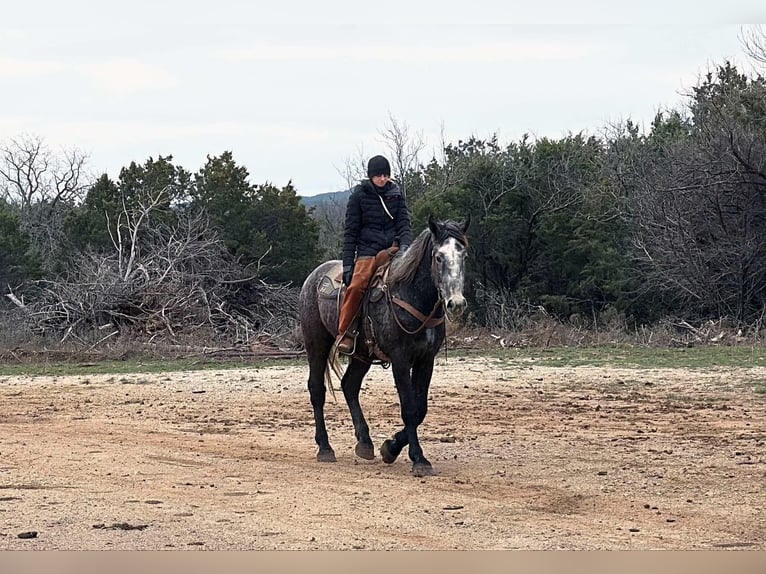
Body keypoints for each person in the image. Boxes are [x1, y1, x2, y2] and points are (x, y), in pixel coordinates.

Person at [336, 155, 413, 354]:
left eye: (386, 175)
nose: (383, 179)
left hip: (393, 249)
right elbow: (350, 233)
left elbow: (404, 224)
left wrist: (405, 248)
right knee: (356, 286)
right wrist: (347, 265)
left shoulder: (396, 194)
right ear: (371, 176)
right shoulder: (359, 197)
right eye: (379, 175)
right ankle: (346, 332)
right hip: (368, 252)